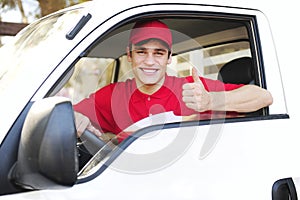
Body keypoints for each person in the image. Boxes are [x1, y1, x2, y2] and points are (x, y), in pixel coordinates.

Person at [73, 20, 273, 144]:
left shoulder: (192, 88)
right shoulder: (111, 96)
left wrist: (211, 101)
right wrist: (74, 118)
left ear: (169, 58)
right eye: (142, 52)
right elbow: (64, 115)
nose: (150, 61)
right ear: (129, 55)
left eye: (158, 53)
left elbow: (263, 97)